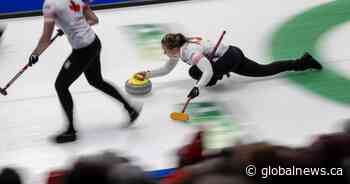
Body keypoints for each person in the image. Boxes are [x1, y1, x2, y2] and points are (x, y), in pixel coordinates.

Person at [28, 0, 141, 143]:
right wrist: (70, 26)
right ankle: (130, 109)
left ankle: (70, 131)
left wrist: (35, 53)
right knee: (96, 80)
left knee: (61, 86)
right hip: (94, 43)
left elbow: (46, 37)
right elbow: (93, 19)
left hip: (82, 50)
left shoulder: (49, 5)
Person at [136, 33, 322, 99]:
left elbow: (207, 70)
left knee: (196, 71)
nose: (164, 53)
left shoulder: (190, 52)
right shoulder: (180, 49)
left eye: (165, 50)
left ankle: (220, 74)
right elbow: (167, 68)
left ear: (174, 48)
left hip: (228, 58)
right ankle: (303, 62)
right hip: (232, 52)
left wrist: (197, 88)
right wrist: (148, 74)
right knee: (263, 70)